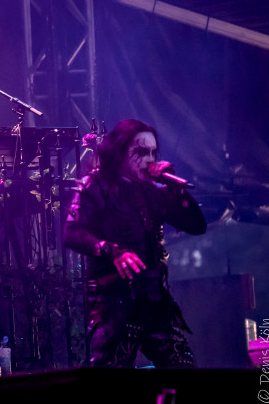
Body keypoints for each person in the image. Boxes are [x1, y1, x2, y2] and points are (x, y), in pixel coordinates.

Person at [63, 119, 207, 368]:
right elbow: (71, 232)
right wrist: (111, 250)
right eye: (141, 152)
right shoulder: (95, 185)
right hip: (112, 302)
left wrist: (176, 191)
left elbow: (197, 226)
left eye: (153, 152)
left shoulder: (153, 191)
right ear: (119, 153)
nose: (150, 159)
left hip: (153, 299)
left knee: (181, 369)